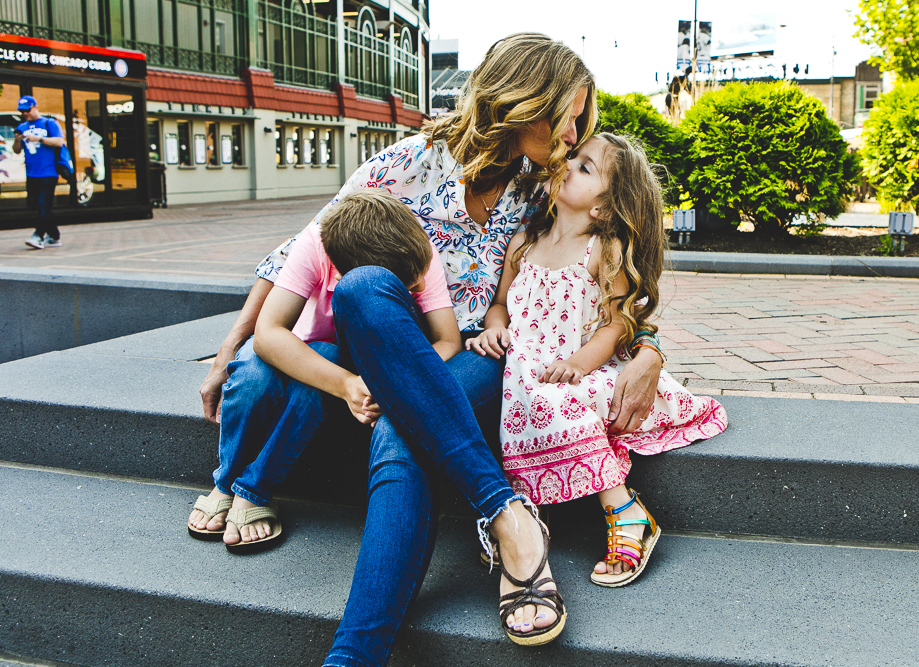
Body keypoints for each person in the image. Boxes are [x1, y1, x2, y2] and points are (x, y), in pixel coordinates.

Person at [199, 33, 665, 663]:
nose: (577, 130)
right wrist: (232, 343)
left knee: (401, 430)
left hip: (475, 360)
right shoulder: (406, 163)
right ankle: (509, 518)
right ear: (524, 100)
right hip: (385, 351)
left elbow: (614, 278)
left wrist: (648, 351)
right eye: (570, 110)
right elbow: (302, 249)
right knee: (363, 288)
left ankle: (353, 656)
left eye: (584, 115)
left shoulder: (544, 188)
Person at [467, 133, 729, 587]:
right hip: (528, 372)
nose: (567, 164)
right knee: (535, 401)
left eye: (585, 167)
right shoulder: (524, 243)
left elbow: (615, 325)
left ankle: (623, 509)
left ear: (603, 209)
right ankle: (532, 516)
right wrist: (494, 326)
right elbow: (501, 303)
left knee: (554, 401)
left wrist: (580, 364)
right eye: (573, 156)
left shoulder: (600, 251)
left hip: (579, 369)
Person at [187, 189, 461, 550]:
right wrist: (347, 385)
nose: (421, 288)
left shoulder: (413, 248)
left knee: (327, 359)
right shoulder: (317, 243)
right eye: (411, 287)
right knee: (252, 376)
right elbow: (268, 335)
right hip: (294, 348)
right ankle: (226, 482)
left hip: (352, 358)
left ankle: (253, 489)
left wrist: (391, 379)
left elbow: (448, 340)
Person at [14, 95, 64, 249]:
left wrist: (39, 139)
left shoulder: (49, 123)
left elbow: (59, 141)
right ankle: (55, 236)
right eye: (22, 111)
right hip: (32, 173)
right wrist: (17, 140)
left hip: (48, 172)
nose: (25, 114)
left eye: (27, 110)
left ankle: (38, 236)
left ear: (35, 107)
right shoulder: (22, 127)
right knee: (42, 206)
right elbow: (16, 151)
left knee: (43, 204)